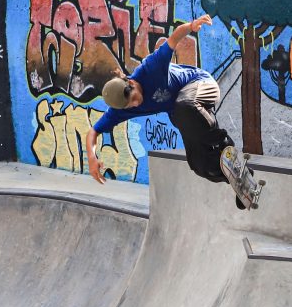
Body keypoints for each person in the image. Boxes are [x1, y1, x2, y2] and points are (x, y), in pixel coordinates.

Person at [85, 14, 233, 186]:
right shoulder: (121, 110)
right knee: (198, 165)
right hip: (185, 113)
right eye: (130, 106)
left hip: (202, 85)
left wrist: (192, 26)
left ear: (131, 83)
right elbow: (93, 132)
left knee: (182, 106)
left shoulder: (151, 68)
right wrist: (91, 157)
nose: (136, 104)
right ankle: (234, 179)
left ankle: (224, 142)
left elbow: (174, 37)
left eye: (133, 98)